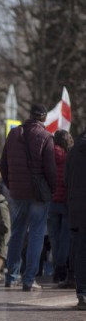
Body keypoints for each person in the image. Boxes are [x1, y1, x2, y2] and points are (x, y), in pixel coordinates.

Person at [0, 104, 57, 291]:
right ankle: (29, 278)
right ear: (44, 118)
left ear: (29, 115)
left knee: (16, 233)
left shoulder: (14, 134)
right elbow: (50, 169)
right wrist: (52, 189)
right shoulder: (46, 137)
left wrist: (11, 186)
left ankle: (10, 276)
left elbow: (3, 164)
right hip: (38, 194)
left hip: (17, 192)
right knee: (36, 234)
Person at [47, 130, 73, 285]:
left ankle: (57, 267)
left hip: (51, 201)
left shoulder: (48, 154)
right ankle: (62, 268)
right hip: (66, 202)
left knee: (54, 238)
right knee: (65, 238)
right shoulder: (70, 156)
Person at [65, 131, 86, 309]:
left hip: (77, 207)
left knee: (81, 250)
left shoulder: (72, 151)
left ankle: (82, 294)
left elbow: (66, 179)